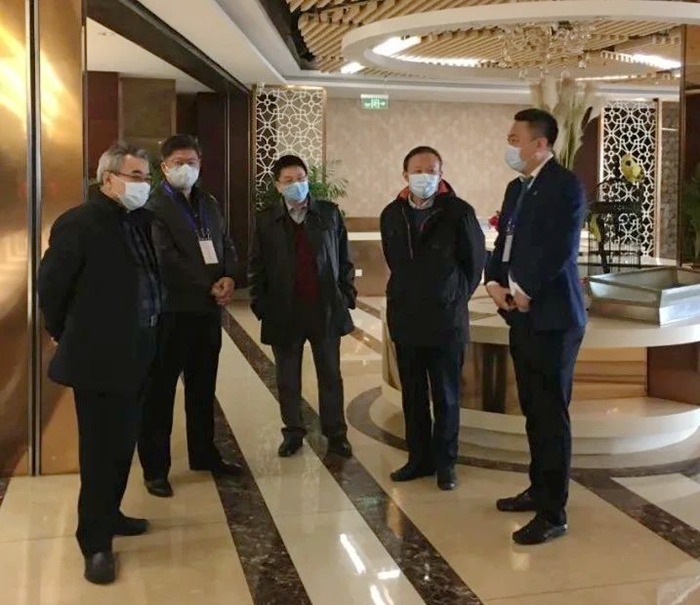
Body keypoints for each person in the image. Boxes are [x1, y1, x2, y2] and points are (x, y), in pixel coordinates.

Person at [39, 143, 162, 584]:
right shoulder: (79, 223)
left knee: (123, 442)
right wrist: (64, 331)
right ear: (108, 179)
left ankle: (111, 513)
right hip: (98, 357)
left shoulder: (139, 221)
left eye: (147, 177)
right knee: (99, 451)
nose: (144, 185)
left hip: (140, 350)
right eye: (135, 176)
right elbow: (51, 287)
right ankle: (94, 543)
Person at [486, 108, 586, 545]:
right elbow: (504, 241)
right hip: (520, 314)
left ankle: (553, 512)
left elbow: (561, 248)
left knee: (550, 414)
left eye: (515, 139)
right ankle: (537, 488)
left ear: (540, 144)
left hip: (554, 317)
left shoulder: (565, 186)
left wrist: (525, 288)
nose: (509, 146)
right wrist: (493, 282)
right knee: (532, 408)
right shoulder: (517, 187)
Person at [138, 134, 241, 499]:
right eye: (178, 162)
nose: (186, 168)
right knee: (160, 392)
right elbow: (166, 258)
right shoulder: (152, 207)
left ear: (201, 165)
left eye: (192, 162)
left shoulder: (208, 202)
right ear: (164, 166)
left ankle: (204, 454)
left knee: (203, 386)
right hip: (171, 312)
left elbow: (225, 241)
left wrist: (229, 276)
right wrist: (209, 284)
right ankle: (155, 469)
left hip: (206, 313)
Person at [380, 146, 485, 491]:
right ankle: (418, 459)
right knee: (412, 396)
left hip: (445, 321)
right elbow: (394, 260)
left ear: (441, 174)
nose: (424, 176)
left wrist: (453, 296)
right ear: (405, 174)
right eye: (417, 170)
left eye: (431, 170)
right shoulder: (392, 214)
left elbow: (474, 265)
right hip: (406, 318)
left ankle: (446, 464)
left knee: (446, 396)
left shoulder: (458, 212)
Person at [249, 155, 356, 458]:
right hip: (284, 311)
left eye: (300, 178)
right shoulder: (265, 219)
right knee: (287, 378)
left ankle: (336, 433)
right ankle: (293, 432)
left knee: (330, 375)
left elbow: (344, 258)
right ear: (277, 185)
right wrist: (260, 305)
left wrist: (345, 295)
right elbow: (256, 265)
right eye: (288, 180)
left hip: (324, 308)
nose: (296, 184)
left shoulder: (329, 213)